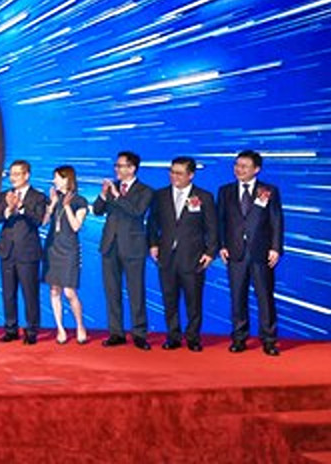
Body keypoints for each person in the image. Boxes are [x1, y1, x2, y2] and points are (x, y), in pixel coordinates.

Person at [217, 150, 284, 356]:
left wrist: (275, 248)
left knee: (265, 297)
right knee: (237, 297)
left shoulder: (268, 191)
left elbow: (276, 221)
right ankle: (239, 338)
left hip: (261, 252)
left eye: (244, 166)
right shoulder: (225, 191)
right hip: (235, 252)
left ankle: (269, 340)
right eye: (237, 165)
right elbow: (220, 221)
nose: (239, 169)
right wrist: (221, 245)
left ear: (256, 169)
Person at [147, 156, 218, 352]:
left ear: (191, 175)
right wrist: (153, 244)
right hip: (166, 256)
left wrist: (210, 252)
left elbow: (212, 228)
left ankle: (193, 337)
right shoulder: (160, 195)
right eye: (172, 172)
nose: (174, 176)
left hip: (193, 257)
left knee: (193, 300)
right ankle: (173, 336)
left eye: (179, 173)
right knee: (169, 299)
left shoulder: (204, 197)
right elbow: (152, 223)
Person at [92, 150, 154, 350]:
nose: (116, 169)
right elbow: (97, 210)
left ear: (132, 168)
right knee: (112, 291)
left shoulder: (145, 190)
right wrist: (103, 195)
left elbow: (137, 211)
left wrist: (118, 196)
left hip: (133, 247)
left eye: (120, 166)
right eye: (116, 166)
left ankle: (139, 334)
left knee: (136, 292)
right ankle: (116, 332)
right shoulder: (112, 187)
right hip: (110, 245)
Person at [0, 160, 47, 345]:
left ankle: (31, 330)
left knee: (30, 293)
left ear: (26, 175)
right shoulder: (5, 195)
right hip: (7, 251)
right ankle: (10, 328)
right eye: (11, 174)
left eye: (17, 174)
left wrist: (21, 207)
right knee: (8, 293)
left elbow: (38, 220)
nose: (13, 178)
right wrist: (9, 209)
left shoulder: (38, 197)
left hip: (28, 251)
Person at [42, 165, 89, 345]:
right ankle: (60, 329)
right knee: (54, 290)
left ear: (67, 179)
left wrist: (67, 207)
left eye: (57, 177)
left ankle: (80, 326)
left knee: (69, 292)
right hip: (53, 248)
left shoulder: (80, 201)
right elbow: (44, 222)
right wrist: (52, 204)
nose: (54, 181)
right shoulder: (54, 198)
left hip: (69, 249)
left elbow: (76, 226)